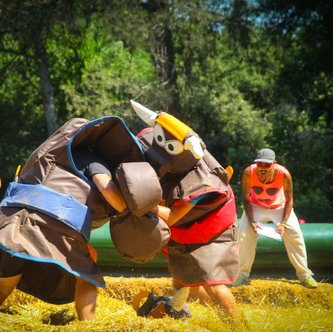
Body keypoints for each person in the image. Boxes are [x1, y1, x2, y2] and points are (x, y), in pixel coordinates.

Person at [0, 116, 170, 321]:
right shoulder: (94, 159)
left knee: (12, 259)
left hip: (14, 220)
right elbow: (107, 190)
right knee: (88, 271)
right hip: (54, 222)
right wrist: (136, 208)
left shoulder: (54, 156)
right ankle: (87, 324)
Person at [130, 100, 240, 319]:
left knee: (212, 283)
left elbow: (171, 217)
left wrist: (139, 202)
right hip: (185, 231)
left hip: (210, 229)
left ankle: (237, 326)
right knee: (181, 280)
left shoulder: (201, 181)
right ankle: (199, 314)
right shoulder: (153, 146)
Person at [233, 148, 318, 288]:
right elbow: (246, 199)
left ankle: (304, 275)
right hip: (255, 206)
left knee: (295, 235)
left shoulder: (283, 174)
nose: (263, 168)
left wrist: (283, 223)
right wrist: (252, 221)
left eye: (267, 164)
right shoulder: (249, 172)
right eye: (260, 164)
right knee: (243, 234)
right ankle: (242, 275)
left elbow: (290, 200)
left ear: (274, 163)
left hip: (279, 206)